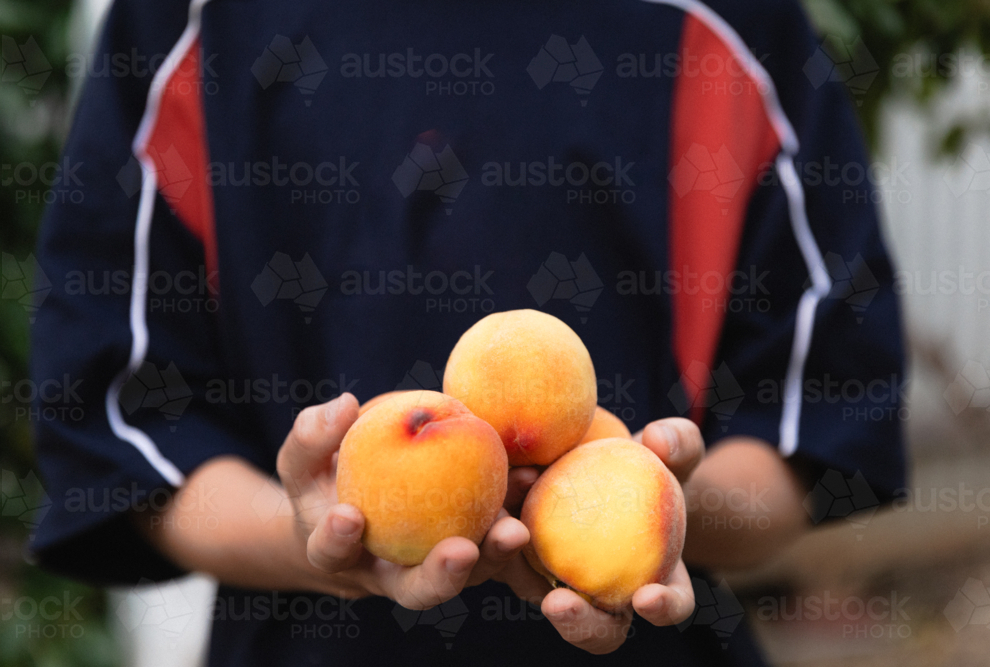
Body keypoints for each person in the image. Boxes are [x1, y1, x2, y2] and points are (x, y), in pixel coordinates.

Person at [30, 0, 906, 664]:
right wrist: (315, 542)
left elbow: (809, 418)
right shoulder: (195, 18)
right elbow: (127, 417)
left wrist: (657, 507)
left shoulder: (727, 19)